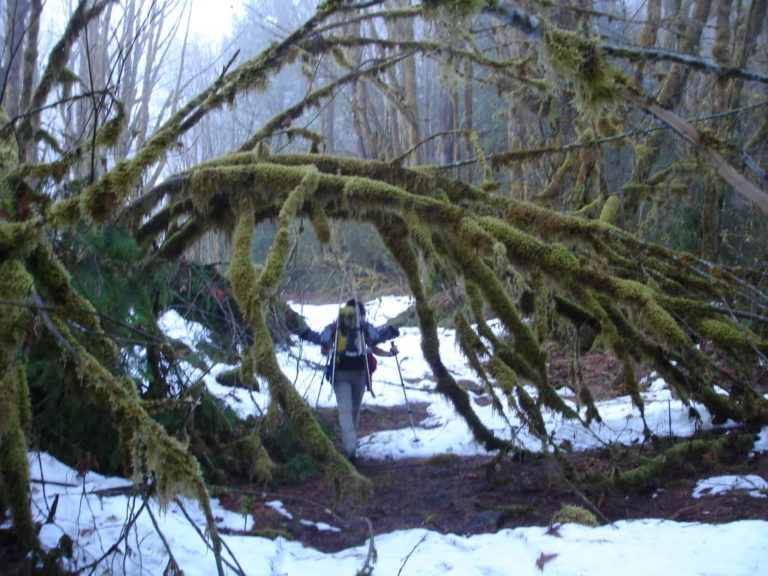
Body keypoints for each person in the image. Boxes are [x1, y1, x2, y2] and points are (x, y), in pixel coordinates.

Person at [299, 299, 400, 460]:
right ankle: (351, 446)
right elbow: (375, 341)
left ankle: (350, 449)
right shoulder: (363, 326)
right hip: (359, 373)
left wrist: (302, 332)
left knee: (344, 411)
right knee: (354, 411)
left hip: (339, 373)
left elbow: (321, 340)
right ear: (362, 312)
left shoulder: (336, 326)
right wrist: (392, 334)